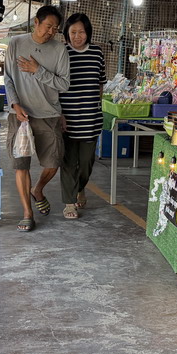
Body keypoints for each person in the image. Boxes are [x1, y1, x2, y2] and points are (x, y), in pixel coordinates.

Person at [3, 5, 70, 231]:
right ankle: (27, 213)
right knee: (20, 165)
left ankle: (38, 189)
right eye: (48, 26)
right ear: (36, 22)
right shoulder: (15, 44)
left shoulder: (59, 50)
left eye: (55, 28)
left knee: (54, 161)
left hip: (48, 114)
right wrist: (14, 103)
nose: (51, 31)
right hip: (20, 115)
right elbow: (8, 78)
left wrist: (37, 70)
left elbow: (64, 84)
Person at [59, 13, 106, 219]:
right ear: (67, 34)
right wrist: (58, 113)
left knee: (87, 162)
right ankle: (69, 203)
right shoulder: (61, 52)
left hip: (90, 118)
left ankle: (79, 187)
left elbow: (100, 83)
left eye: (82, 32)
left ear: (88, 33)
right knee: (69, 162)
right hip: (66, 118)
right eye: (73, 32)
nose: (78, 36)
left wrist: (97, 106)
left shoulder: (97, 53)